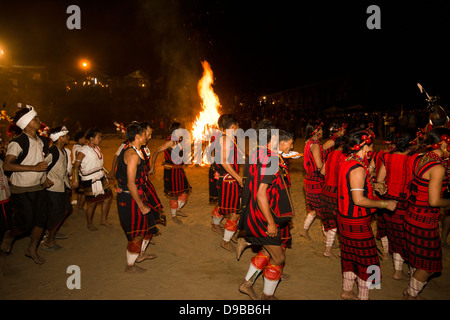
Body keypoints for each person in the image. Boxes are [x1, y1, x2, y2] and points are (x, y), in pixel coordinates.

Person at [337, 129, 397, 300]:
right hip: (355, 221)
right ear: (364, 147)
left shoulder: (348, 160)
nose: (373, 149)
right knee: (368, 261)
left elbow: (354, 187)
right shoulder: (357, 167)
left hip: (346, 218)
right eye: (371, 145)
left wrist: (375, 186)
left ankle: (347, 291)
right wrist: (385, 203)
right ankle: (364, 296)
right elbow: (358, 200)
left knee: (350, 255)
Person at [239, 122, 295, 300]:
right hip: (263, 217)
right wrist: (270, 223)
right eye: (288, 142)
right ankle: (267, 295)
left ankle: (247, 284)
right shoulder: (271, 159)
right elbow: (261, 194)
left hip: (254, 213)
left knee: (266, 251)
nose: (291, 145)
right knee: (278, 259)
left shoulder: (258, 153)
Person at [403, 127, 450, 299]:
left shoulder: (421, 158)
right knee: (429, 265)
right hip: (423, 219)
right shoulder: (438, 168)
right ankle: (409, 295)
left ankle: (410, 288)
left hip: (412, 214)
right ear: (444, 143)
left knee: (418, 259)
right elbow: (435, 201)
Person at [1, 106, 50, 264]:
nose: (39, 121)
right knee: (26, 223)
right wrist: (34, 168)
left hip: (39, 187)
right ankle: (10, 234)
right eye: (35, 119)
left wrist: (44, 176)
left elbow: (39, 162)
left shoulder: (40, 140)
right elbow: (7, 166)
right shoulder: (18, 142)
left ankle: (31, 249)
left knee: (41, 221)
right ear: (27, 123)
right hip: (22, 189)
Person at [376, 128, 420, 280]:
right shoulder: (415, 158)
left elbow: (380, 180)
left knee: (395, 235)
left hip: (391, 202)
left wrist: (386, 192)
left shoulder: (387, 157)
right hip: (409, 203)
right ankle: (413, 274)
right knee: (410, 239)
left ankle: (398, 271)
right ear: (412, 142)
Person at [115, 122, 159, 273]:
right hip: (131, 199)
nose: (147, 137)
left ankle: (140, 255)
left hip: (137, 195)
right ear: (137, 136)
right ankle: (130, 266)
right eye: (145, 134)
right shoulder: (132, 155)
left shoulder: (138, 151)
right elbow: (131, 183)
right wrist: (140, 204)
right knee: (138, 233)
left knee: (148, 228)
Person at [210, 114, 243, 251]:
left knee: (223, 204)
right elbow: (224, 161)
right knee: (235, 211)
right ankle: (226, 241)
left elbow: (213, 155)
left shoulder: (221, 138)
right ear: (233, 126)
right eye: (237, 126)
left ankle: (215, 224)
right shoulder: (226, 140)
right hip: (228, 181)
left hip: (224, 179)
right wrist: (238, 177)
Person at [71, 127, 113, 231]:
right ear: (91, 138)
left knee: (108, 198)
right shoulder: (83, 150)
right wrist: (75, 179)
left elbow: (99, 164)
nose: (100, 139)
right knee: (92, 203)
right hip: (90, 180)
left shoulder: (97, 148)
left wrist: (107, 174)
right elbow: (76, 166)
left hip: (100, 177)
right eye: (98, 137)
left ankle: (103, 220)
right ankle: (89, 224)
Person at [150, 122, 191, 224]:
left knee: (185, 192)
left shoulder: (179, 141)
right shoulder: (170, 142)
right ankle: (174, 216)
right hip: (172, 172)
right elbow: (156, 151)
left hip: (179, 170)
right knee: (174, 195)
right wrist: (152, 167)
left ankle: (177, 209)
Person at [43, 126, 71, 251]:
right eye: (65, 136)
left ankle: (52, 231)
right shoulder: (53, 151)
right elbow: (42, 165)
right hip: (53, 188)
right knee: (57, 213)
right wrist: (43, 179)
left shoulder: (63, 151)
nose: (68, 138)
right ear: (59, 138)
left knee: (66, 210)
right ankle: (50, 241)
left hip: (61, 187)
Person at [319, 136, 346, 258]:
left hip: (326, 191)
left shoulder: (330, 155)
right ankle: (342, 250)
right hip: (337, 192)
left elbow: (322, 172)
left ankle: (328, 250)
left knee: (332, 223)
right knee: (341, 223)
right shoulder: (345, 156)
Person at [300, 121, 324, 240]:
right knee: (324, 209)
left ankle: (304, 230)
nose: (322, 131)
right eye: (320, 129)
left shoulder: (308, 143)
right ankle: (328, 239)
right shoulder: (315, 145)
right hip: (316, 180)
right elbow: (319, 165)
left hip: (309, 179)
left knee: (314, 209)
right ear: (316, 132)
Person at [71, 130, 86, 212]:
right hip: (80, 171)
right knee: (83, 192)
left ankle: (78, 206)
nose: (85, 139)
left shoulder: (75, 146)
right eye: (84, 138)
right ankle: (80, 207)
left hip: (76, 171)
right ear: (80, 139)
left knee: (80, 192)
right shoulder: (80, 148)